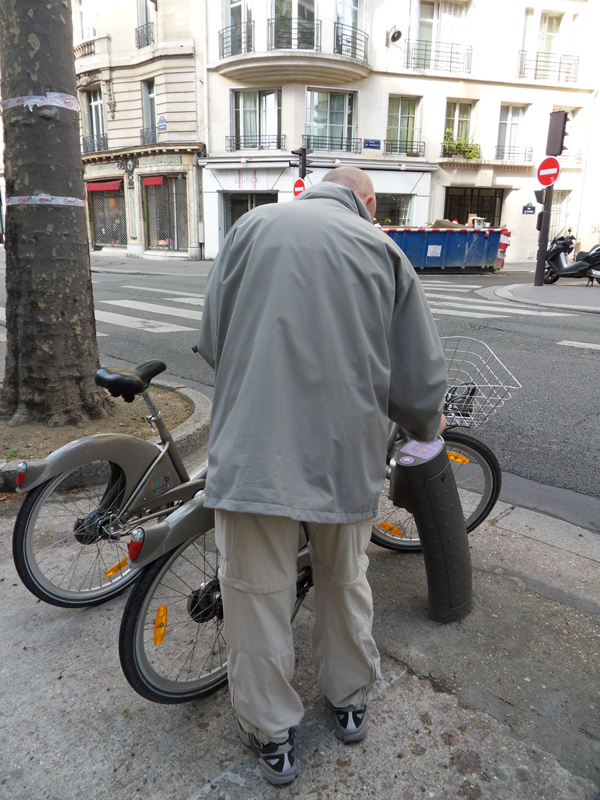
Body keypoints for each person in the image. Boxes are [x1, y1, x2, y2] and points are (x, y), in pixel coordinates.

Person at [197, 167, 447, 785]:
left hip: (255, 449)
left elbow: (213, 340)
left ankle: (270, 733)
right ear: (366, 201)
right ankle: (349, 699)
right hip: (345, 455)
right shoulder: (382, 250)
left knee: (255, 593)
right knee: (344, 578)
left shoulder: (250, 227)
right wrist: (424, 425)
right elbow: (417, 377)